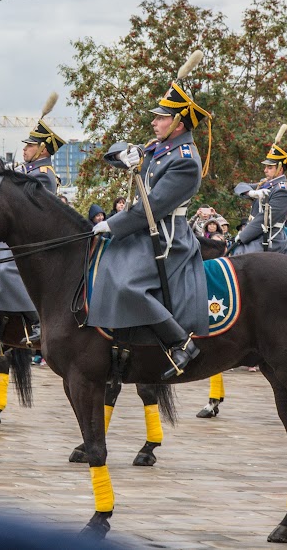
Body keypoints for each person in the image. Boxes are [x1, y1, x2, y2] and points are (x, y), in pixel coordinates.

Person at [90, 59, 212, 378]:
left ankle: (180, 344)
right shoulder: (159, 148)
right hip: (148, 231)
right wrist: (123, 155)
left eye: (161, 118)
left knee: (128, 284)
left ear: (178, 123)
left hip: (169, 236)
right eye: (156, 118)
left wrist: (112, 223)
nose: (155, 123)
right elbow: (118, 153)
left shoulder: (186, 161)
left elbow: (153, 206)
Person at [0, 94, 65, 347]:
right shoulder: (29, 170)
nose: (25, 148)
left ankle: (37, 319)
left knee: (6, 265)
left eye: (29, 145)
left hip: (37, 239)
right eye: (25, 145)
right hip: (23, 235)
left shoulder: (44, 175)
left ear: (43, 149)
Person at [230, 125, 287, 255]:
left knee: (241, 255)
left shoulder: (282, 191)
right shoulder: (265, 183)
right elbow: (240, 186)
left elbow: (264, 220)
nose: (265, 170)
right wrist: (251, 192)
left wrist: (242, 236)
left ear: (280, 169)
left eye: (269, 167)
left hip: (269, 238)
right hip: (257, 233)